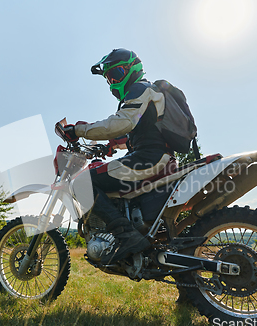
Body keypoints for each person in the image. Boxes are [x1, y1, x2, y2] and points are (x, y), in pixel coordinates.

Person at [62, 48, 174, 264]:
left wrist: (79, 130)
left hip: (149, 159)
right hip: (154, 156)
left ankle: (125, 236)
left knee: (82, 184)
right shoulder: (146, 93)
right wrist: (109, 146)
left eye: (117, 74)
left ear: (133, 69)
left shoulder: (140, 88)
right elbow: (137, 132)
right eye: (109, 78)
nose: (113, 81)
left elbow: (120, 123)